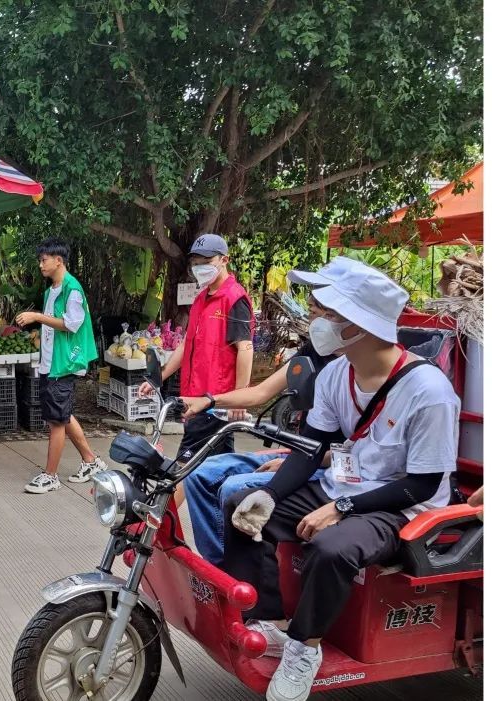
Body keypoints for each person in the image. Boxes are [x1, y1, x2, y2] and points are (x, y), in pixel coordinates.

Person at [222, 260, 458, 701]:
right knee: (242, 506)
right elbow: (310, 450)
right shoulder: (335, 373)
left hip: (399, 507)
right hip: (344, 487)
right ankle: (270, 621)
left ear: (361, 325)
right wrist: (269, 496)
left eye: (329, 314)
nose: (318, 322)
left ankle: (303, 648)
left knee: (332, 547)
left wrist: (340, 508)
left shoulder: (429, 392)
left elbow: (424, 485)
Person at [178, 257, 361, 565]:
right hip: (304, 455)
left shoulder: (359, 371)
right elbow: (261, 392)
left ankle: (238, 569)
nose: (313, 323)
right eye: (311, 313)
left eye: (319, 314)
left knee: (234, 488)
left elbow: (361, 455)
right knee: (200, 473)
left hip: (332, 466)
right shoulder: (316, 353)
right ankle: (219, 565)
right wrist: (208, 401)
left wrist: (291, 463)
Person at [139, 233, 254, 463]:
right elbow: (186, 344)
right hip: (194, 397)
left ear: (224, 260)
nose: (201, 268)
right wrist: (158, 378)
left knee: (184, 468)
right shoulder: (201, 298)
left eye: (207, 262)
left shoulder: (234, 298)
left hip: (214, 400)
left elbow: (245, 348)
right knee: (217, 466)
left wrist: (239, 398)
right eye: (196, 263)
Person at [15, 238, 107, 494]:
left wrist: (36, 317)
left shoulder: (72, 289)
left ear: (58, 260)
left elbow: (70, 324)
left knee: (56, 421)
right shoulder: (51, 291)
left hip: (64, 364)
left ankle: (50, 476)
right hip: (50, 362)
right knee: (62, 415)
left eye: (44, 260)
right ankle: (91, 461)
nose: (40, 264)